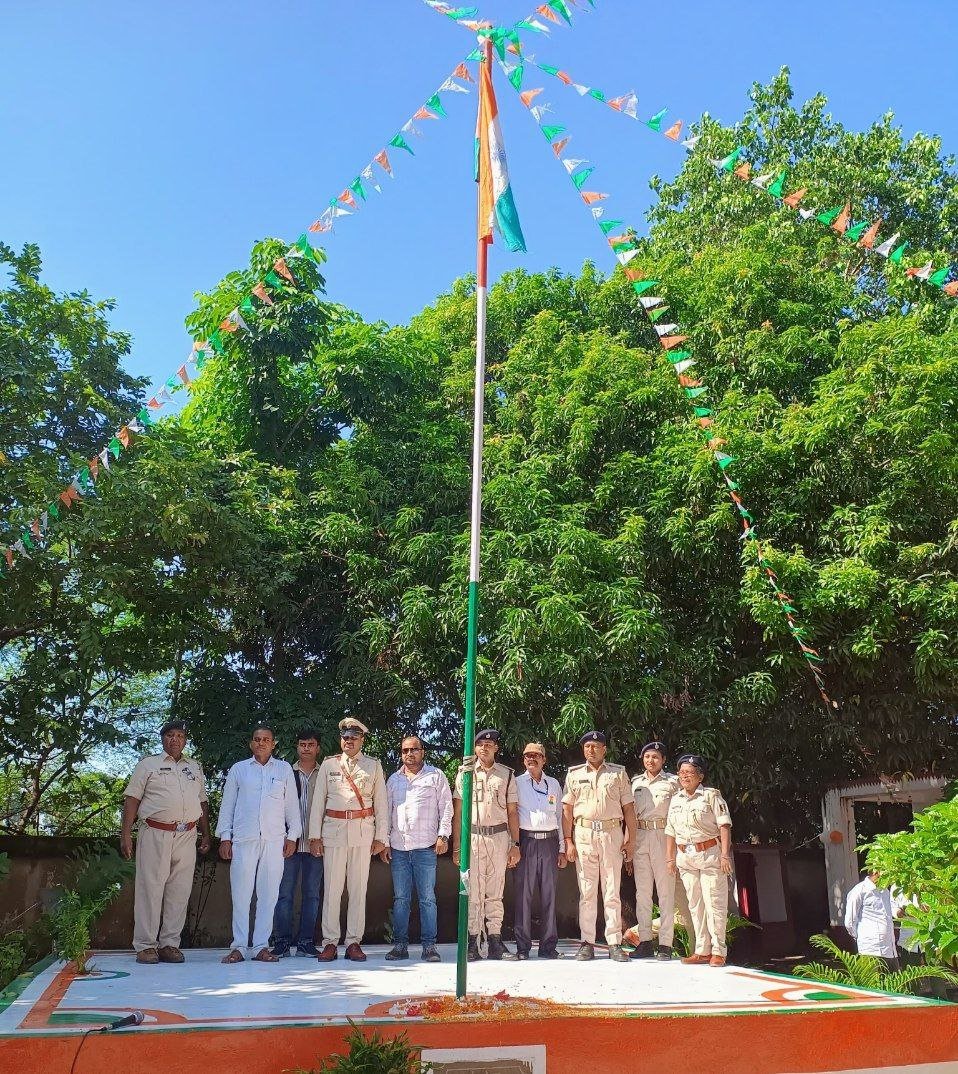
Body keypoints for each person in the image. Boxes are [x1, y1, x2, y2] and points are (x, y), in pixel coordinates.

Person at [121, 720, 211, 965]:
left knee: (180, 891)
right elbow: (132, 799)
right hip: (155, 832)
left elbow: (201, 801)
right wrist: (126, 834)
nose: (175, 739)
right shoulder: (148, 765)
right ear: (163, 738)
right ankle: (146, 945)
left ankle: (170, 944)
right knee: (150, 888)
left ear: (185, 740)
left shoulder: (194, 767)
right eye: (170, 735)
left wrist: (206, 833)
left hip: (187, 834)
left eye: (180, 735)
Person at [216, 725, 300, 964]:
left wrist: (292, 835)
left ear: (273, 744)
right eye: (257, 739)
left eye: (266, 740)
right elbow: (228, 805)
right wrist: (225, 837)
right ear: (251, 743)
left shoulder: (283, 769)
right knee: (241, 895)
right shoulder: (239, 770)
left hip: (274, 841)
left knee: (269, 895)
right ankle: (239, 946)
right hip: (244, 840)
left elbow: (291, 806)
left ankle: (262, 946)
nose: (261, 743)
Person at [309, 718, 387, 962]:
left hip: (363, 833)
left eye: (354, 737)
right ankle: (330, 942)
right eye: (345, 737)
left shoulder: (373, 766)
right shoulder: (329, 765)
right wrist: (314, 836)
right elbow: (318, 802)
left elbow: (381, 804)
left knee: (357, 889)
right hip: (333, 832)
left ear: (362, 740)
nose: (349, 741)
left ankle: (353, 941)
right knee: (332, 890)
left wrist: (381, 837)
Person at [562, 730, 636, 962]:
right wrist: (568, 840)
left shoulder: (618, 773)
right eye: (587, 747)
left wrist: (630, 839)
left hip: (611, 832)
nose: (591, 750)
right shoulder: (574, 775)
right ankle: (587, 942)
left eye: (595, 746)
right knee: (587, 891)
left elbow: (629, 809)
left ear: (604, 749)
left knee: (612, 890)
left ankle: (614, 942)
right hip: (583, 833)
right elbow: (566, 811)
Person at [381, 734, 453, 963]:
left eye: (414, 749)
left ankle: (429, 947)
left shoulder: (435, 776)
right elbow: (385, 814)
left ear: (423, 751)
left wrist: (443, 836)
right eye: (405, 750)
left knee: (427, 899)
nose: (409, 754)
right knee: (400, 899)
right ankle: (400, 946)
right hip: (399, 848)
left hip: (425, 848)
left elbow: (447, 808)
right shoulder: (393, 780)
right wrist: (384, 842)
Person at [452, 728, 520, 961]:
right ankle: (472, 942)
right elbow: (459, 812)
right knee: (473, 891)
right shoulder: (466, 774)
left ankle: (494, 941)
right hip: (473, 837)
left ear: (496, 748)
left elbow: (512, 812)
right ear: (475, 748)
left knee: (495, 891)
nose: (484, 748)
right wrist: (457, 847)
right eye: (480, 744)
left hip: (499, 838)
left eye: (489, 745)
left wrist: (515, 844)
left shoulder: (507, 775)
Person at [665, 754, 733, 967]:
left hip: (710, 854)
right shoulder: (676, 799)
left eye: (689, 772)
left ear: (700, 776)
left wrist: (724, 854)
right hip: (685, 856)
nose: (684, 776)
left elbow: (724, 825)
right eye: (681, 772)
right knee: (695, 905)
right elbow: (670, 831)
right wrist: (670, 858)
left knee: (714, 903)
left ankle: (718, 951)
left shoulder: (711, 796)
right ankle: (702, 950)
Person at [271, 728, 324, 957]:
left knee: (312, 894)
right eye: (302, 744)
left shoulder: (326, 773)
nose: (306, 748)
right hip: (289, 844)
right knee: (284, 894)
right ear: (297, 747)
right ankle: (281, 941)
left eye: (310, 744)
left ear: (317, 748)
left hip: (315, 844)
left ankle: (305, 942)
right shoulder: (285, 772)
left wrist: (320, 837)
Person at [513, 741, 566, 960]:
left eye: (536, 755)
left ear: (544, 759)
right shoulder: (516, 783)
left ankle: (548, 946)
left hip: (550, 842)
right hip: (526, 841)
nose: (531, 758)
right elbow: (511, 816)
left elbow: (560, 817)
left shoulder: (553, 784)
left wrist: (562, 848)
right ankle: (523, 948)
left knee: (549, 896)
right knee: (523, 896)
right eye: (527, 755)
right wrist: (513, 845)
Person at [629, 741, 679, 961]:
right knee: (642, 893)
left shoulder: (673, 782)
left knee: (666, 892)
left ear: (664, 761)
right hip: (640, 836)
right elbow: (628, 815)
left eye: (656, 757)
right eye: (648, 756)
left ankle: (666, 944)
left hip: (663, 835)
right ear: (643, 759)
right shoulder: (634, 783)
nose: (651, 761)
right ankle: (646, 941)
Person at [845, 871, 899, 969]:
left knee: (894, 982)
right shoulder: (859, 890)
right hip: (870, 950)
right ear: (875, 871)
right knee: (874, 983)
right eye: (886, 870)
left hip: (889, 949)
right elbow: (849, 922)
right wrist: (862, 937)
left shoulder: (885, 891)